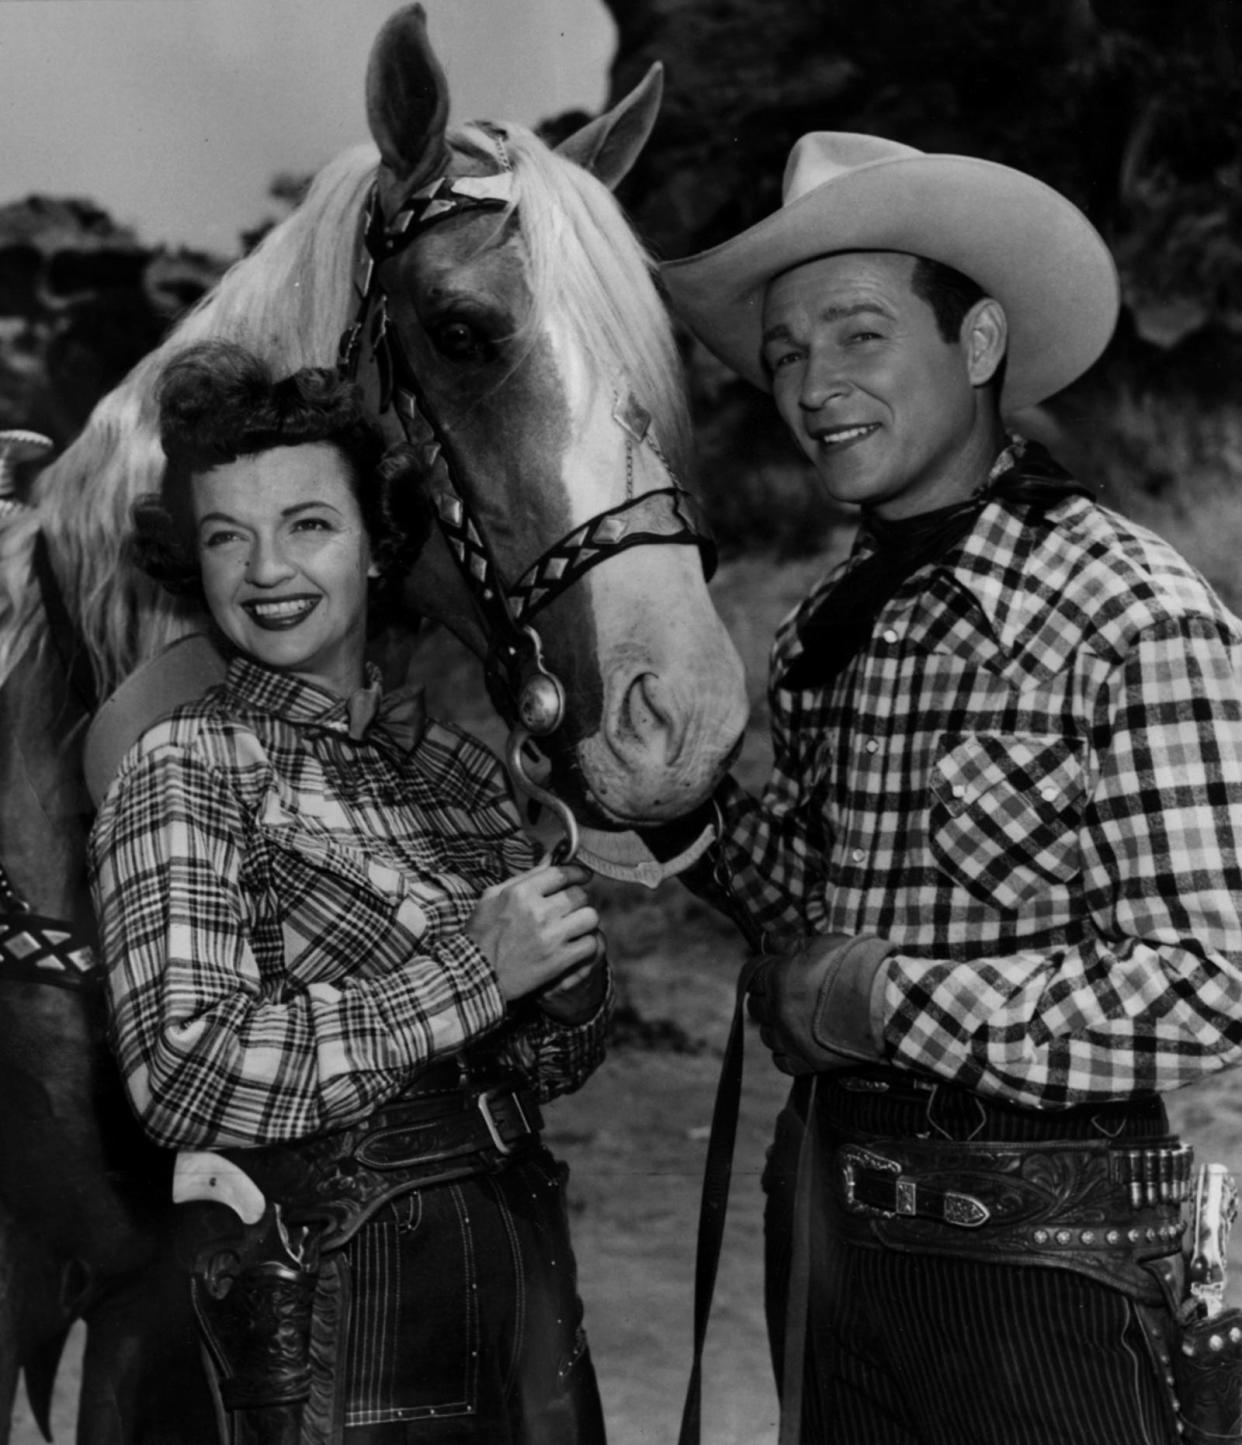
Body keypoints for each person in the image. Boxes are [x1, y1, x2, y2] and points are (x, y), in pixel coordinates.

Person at [659, 133, 1242, 1443]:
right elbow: (806, 908)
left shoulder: (1125, 611)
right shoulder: (824, 621)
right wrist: (674, 808)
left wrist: (881, 999)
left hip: (1042, 1251)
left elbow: (1205, 982)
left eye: (857, 334)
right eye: (787, 353)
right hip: (822, 1221)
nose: (812, 386)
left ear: (977, 340)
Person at [87, 339, 611, 1445]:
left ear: (377, 546)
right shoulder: (186, 764)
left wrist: (567, 997)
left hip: (516, 1265)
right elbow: (186, 1067)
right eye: (228, 536)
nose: (266, 568)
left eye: (308, 525)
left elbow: (536, 1060)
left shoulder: (459, 771)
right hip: (332, 1300)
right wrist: (475, 971)